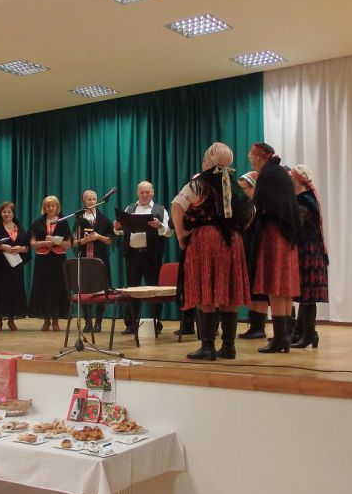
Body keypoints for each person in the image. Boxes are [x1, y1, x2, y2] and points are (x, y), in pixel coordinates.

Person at [171, 142, 253, 360]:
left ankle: (207, 347)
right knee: (229, 292)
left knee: (204, 289)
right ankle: (229, 347)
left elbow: (177, 205)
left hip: (205, 239)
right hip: (232, 240)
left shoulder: (199, 184)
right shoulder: (234, 186)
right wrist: (237, 230)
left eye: (205, 158)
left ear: (209, 161)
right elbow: (250, 211)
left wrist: (180, 233)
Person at [247, 143, 302, 353]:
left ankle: (280, 338)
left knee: (275, 287)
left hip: (273, 235)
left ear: (258, 157)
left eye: (251, 157)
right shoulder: (281, 173)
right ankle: (284, 336)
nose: (251, 161)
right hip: (287, 236)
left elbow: (260, 205)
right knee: (285, 288)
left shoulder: (267, 175)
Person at [114, 181, 172, 335]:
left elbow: (169, 232)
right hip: (132, 255)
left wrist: (160, 226)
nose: (145, 195)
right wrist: (117, 228)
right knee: (132, 290)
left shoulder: (160, 210)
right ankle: (131, 324)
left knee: (154, 290)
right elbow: (121, 232)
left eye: (147, 192)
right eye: (142, 192)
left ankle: (156, 322)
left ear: (152, 192)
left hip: (151, 255)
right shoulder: (129, 208)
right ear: (137, 193)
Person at [290, 164, 329, 348]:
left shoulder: (306, 200)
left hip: (309, 249)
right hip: (305, 248)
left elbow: (298, 222)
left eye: (291, 179)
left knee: (308, 294)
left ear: (298, 181)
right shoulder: (304, 198)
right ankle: (303, 333)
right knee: (304, 294)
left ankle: (308, 334)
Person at [28, 195, 72, 330]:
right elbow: (32, 243)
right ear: (44, 208)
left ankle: (55, 320)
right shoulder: (37, 223)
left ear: (57, 207)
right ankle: (46, 319)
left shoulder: (63, 222)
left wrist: (56, 241)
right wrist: (45, 243)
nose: (50, 208)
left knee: (58, 288)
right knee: (44, 288)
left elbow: (68, 244)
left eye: (53, 206)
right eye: (48, 206)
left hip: (58, 260)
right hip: (43, 259)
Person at [73, 189, 114, 332]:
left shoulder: (104, 219)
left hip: (101, 260)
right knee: (85, 290)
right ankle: (88, 322)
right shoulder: (79, 219)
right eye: (89, 199)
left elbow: (111, 240)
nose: (92, 202)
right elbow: (74, 242)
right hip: (84, 259)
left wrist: (98, 237)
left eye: (94, 199)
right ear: (84, 201)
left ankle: (99, 322)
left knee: (101, 290)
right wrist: (84, 240)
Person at [236, 171, 270, 341]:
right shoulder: (247, 204)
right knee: (251, 287)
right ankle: (254, 325)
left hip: (260, 248)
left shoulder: (263, 205)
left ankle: (259, 326)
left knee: (259, 288)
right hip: (248, 247)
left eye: (246, 188)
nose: (244, 192)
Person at [0, 201, 30, 330]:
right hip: (1, 266)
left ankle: (11, 320)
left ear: (13, 213)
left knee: (15, 292)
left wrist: (21, 248)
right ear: (0, 213)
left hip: (16, 266)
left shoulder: (19, 227)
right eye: (4, 212)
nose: (7, 214)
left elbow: (27, 246)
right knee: (0, 292)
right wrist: (2, 246)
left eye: (9, 211)